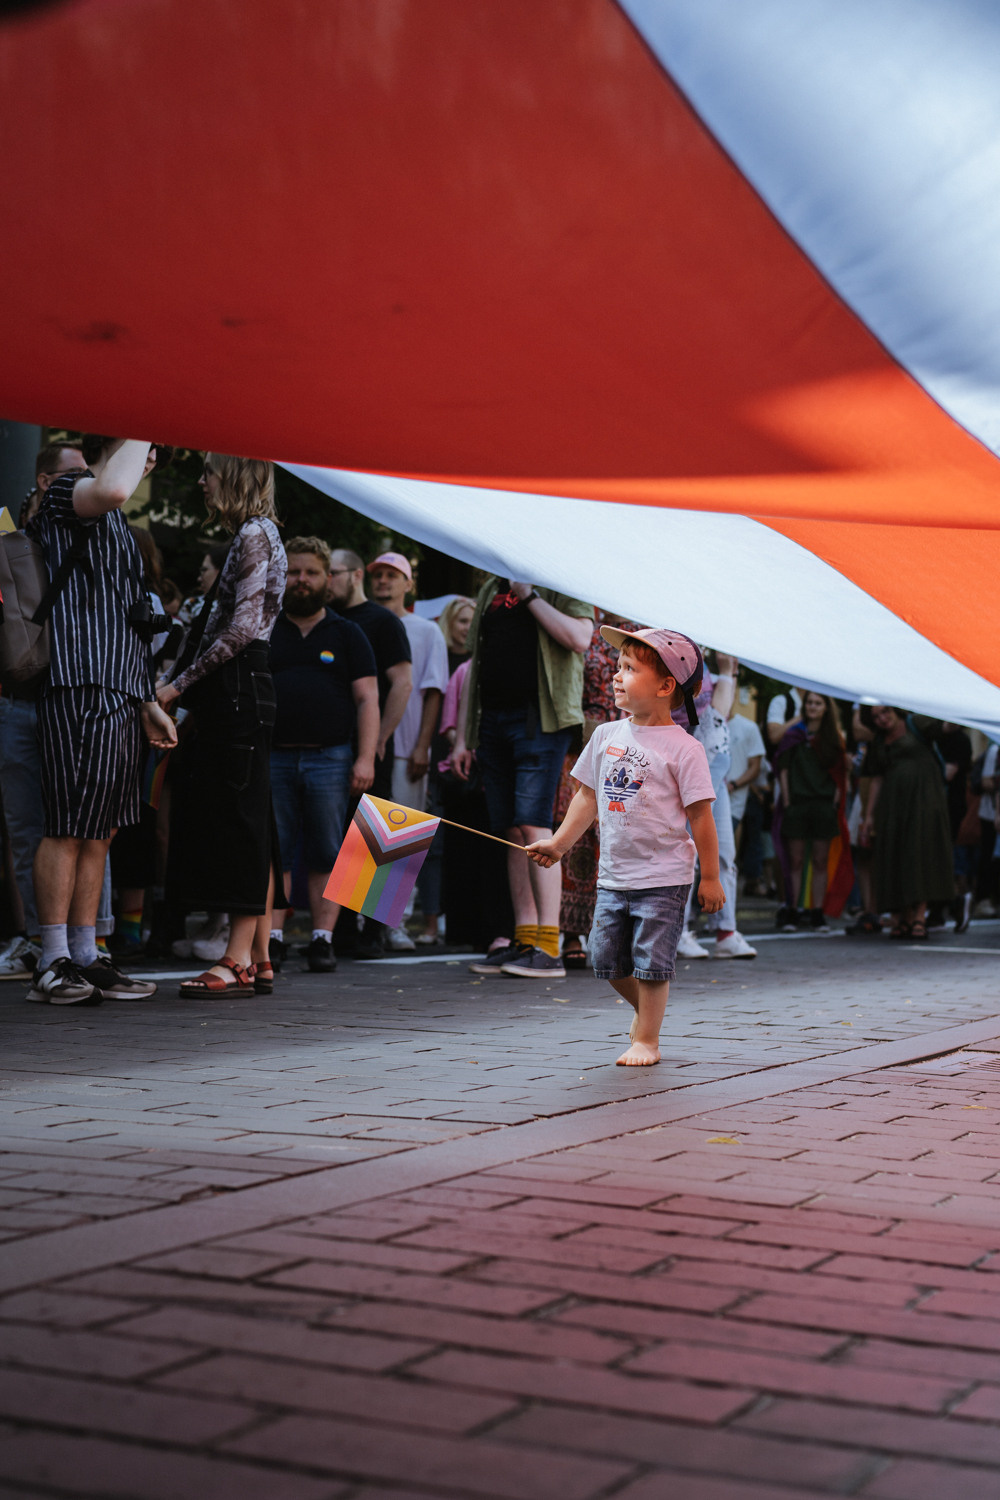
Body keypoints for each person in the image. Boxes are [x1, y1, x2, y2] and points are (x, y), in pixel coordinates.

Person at [527, 627, 722, 1066]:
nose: (616, 676)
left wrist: (709, 877)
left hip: (664, 877)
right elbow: (587, 797)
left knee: (652, 962)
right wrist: (559, 844)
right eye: (618, 666)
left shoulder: (685, 749)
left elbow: (701, 818)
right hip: (613, 876)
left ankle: (647, 1040)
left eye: (630, 669)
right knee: (605, 958)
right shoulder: (605, 735)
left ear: (665, 686)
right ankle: (646, 1015)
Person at [26, 437, 176, 1005]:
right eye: (148, 446)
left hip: (116, 689)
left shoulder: (118, 525)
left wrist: (145, 700)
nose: (153, 456)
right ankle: (52, 959)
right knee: (68, 826)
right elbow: (112, 486)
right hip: (76, 681)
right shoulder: (70, 489)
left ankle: (86, 955)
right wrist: (139, 422)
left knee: (100, 831)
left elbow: (126, 622)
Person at [158, 455, 286, 995]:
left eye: (209, 471)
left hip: (238, 689)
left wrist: (175, 687)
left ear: (234, 476)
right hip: (240, 691)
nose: (201, 481)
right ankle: (257, 955)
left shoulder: (254, 534)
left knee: (239, 825)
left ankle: (236, 959)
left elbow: (241, 630)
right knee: (251, 821)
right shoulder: (256, 533)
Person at [454, 576, 594, 979]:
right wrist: (464, 736)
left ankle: (548, 947)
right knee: (512, 831)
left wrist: (528, 595)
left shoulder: (557, 580)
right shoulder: (490, 587)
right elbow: (476, 664)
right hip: (493, 720)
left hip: (540, 720)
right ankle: (525, 940)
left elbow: (580, 638)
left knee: (533, 823)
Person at [268, 538, 379, 972]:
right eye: (294, 572)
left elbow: (368, 699)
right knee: (275, 851)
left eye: (311, 572)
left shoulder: (347, 633)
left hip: (330, 759)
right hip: (273, 756)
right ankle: (272, 939)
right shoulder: (265, 628)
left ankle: (322, 939)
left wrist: (365, 758)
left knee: (328, 851)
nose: (302, 580)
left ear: (327, 578)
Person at [0, 441, 89, 976]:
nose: (88, 481)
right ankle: (39, 941)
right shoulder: (10, 537)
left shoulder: (95, 532)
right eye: (75, 473)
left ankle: (90, 944)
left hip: (74, 699)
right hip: (19, 700)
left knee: (84, 828)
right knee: (27, 830)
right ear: (44, 481)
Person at [327, 548, 412, 957]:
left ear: (355, 574)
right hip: (332, 740)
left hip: (371, 741)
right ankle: (341, 929)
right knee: (340, 832)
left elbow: (403, 683)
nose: (326, 580)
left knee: (379, 831)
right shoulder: (326, 618)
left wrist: (380, 738)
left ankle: (375, 930)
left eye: (332, 572)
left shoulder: (383, 621)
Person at [365, 552, 449, 949]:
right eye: (378, 574)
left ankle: (392, 921)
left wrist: (422, 746)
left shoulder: (427, 631)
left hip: (405, 746)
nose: (383, 581)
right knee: (365, 834)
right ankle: (363, 923)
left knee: (399, 833)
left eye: (392, 575)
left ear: (408, 583)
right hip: (364, 743)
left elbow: (434, 692)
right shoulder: (360, 620)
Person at [860, 706, 955, 940]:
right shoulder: (878, 741)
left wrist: (959, 706)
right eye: (876, 717)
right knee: (896, 854)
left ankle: (920, 916)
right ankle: (904, 916)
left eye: (885, 712)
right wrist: (869, 815)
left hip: (924, 801)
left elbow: (946, 727)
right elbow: (877, 778)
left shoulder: (916, 723)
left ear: (894, 709)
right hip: (893, 805)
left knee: (921, 853)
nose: (882, 719)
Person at [776, 692, 848, 931]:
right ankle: (793, 910)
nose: (813, 707)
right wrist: (788, 801)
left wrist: (834, 802)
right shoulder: (794, 735)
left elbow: (840, 773)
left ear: (826, 707)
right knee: (795, 860)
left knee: (820, 860)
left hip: (823, 805)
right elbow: (783, 769)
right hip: (797, 803)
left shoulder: (833, 738)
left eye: (818, 703)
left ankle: (817, 912)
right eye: (809, 702)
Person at [437, 596, 476, 674]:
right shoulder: (436, 659)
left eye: (474, 622)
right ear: (449, 623)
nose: (469, 628)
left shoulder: (479, 660)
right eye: (463, 621)